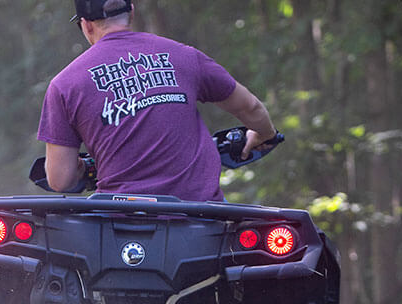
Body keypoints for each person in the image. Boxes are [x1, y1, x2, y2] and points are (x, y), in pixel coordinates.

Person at [38, 0, 279, 200]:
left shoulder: (64, 84)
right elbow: (250, 107)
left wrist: (83, 168)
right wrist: (263, 135)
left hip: (121, 225)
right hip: (201, 217)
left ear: (86, 25)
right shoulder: (184, 55)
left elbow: (60, 180)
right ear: (131, 12)